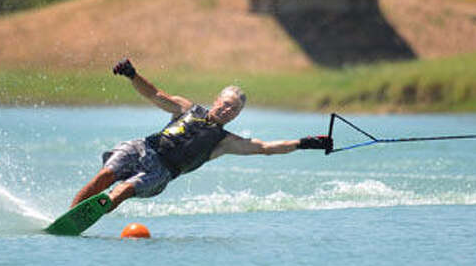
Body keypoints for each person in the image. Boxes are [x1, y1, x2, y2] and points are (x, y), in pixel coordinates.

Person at [70, 58, 332, 214]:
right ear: (217, 100)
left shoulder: (224, 142)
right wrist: (132, 74)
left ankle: (89, 216)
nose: (228, 110)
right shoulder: (187, 109)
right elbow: (154, 94)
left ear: (236, 116)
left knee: (124, 190)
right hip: (143, 148)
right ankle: (70, 215)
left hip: (162, 171)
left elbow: (265, 147)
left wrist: (306, 143)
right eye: (226, 103)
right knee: (105, 176)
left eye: (235, 109)